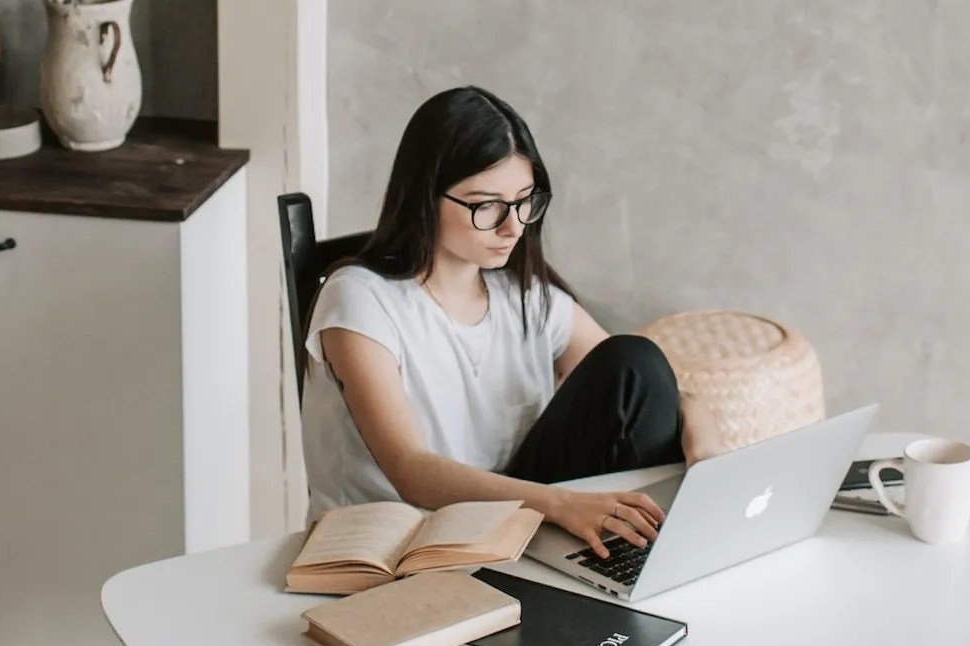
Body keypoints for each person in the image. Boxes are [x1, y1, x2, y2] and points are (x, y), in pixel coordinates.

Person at [301, 85, 719, 558]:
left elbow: (645, 386)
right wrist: (562, 505)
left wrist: (706, 449)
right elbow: (409, 468)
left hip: (509, 525)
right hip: (396, 547)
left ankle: (653, 558)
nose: (514, 227)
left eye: (524, 202)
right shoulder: (359, 300)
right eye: (487, 206)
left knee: (634, 359)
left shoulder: (523, 295)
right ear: (424, 197)